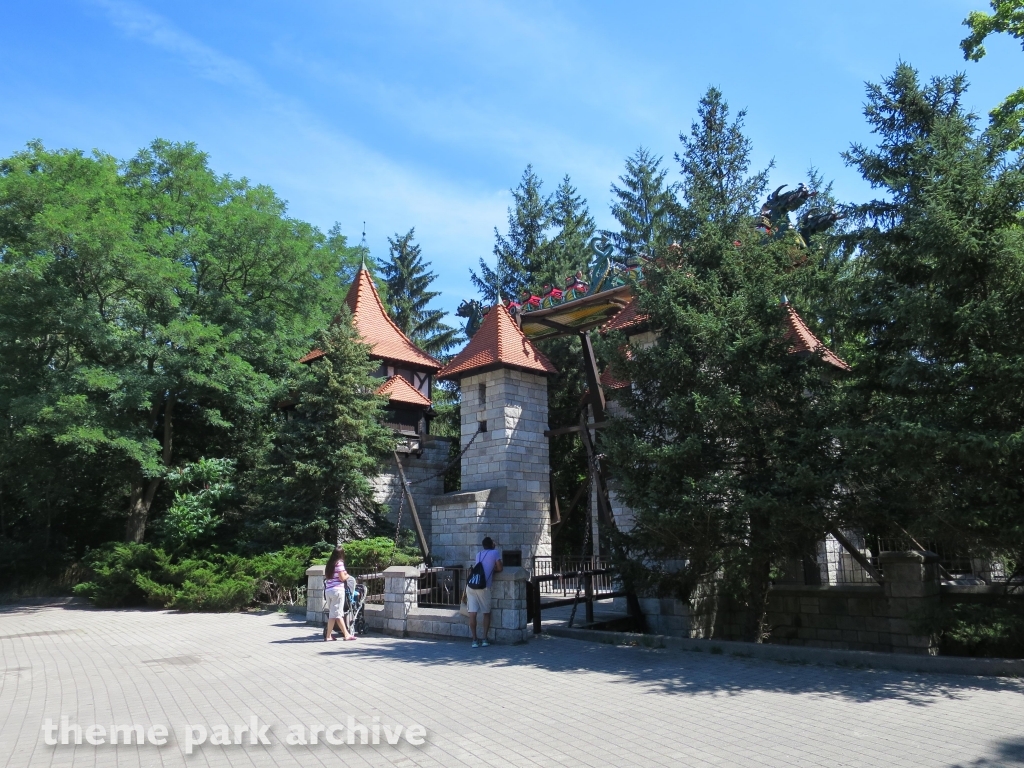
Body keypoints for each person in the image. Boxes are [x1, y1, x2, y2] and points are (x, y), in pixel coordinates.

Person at [466, 537, 503, 648]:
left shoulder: (479, 554)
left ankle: (474, 640)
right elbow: (500, 568)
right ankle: (484, 639)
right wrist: (493, 568)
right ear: (492, 544)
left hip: (472, 586)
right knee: (486, 612)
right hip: (483, 587)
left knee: (472, 613)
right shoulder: (495, 553)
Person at [323, 546, 357, 641]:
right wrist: (347, 575)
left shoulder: (330, 564)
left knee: (333, 614)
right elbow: (342, 578)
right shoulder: (339, 563)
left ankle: (329, 636)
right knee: (338, 614)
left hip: (328, 590)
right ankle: (346, 635)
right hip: (337, 591)